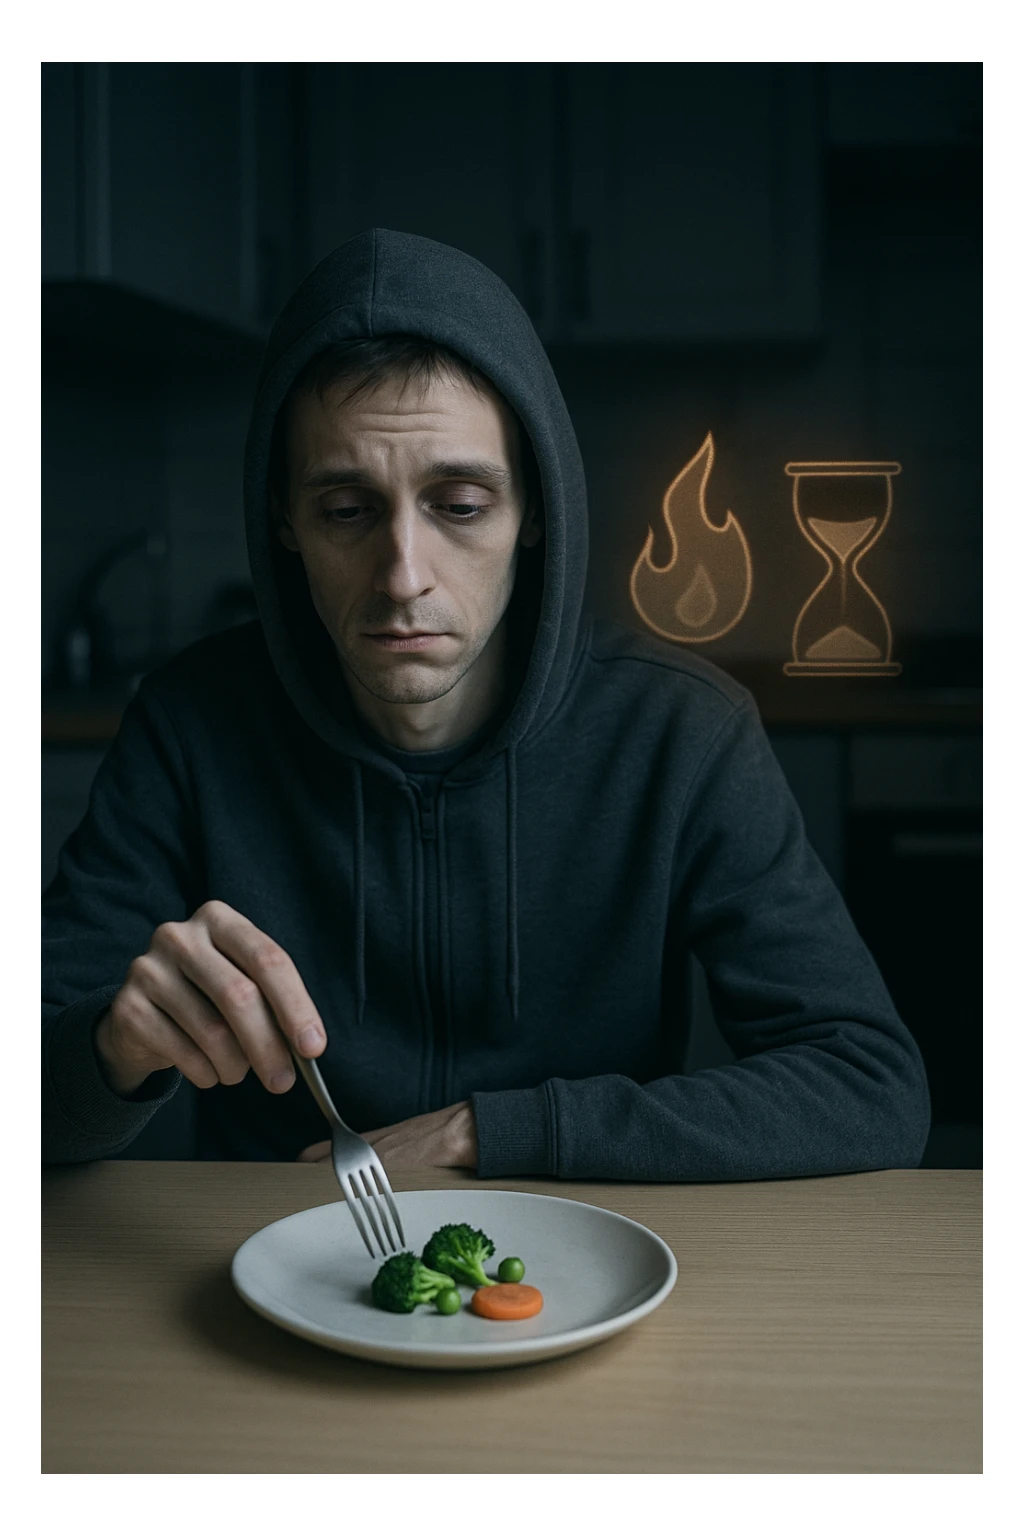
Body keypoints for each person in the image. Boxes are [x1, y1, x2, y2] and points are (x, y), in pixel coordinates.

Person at [42, 228, 930, 1176]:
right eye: (346, 510)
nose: (402, 575)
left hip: (588, 1263)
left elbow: (869, 1087)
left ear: (534, 511)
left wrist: (493, 1130)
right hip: (268, 1264)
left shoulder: (682, 733)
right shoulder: (187, 724)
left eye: (459, 505)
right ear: (283, 520)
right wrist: (110, 1050)